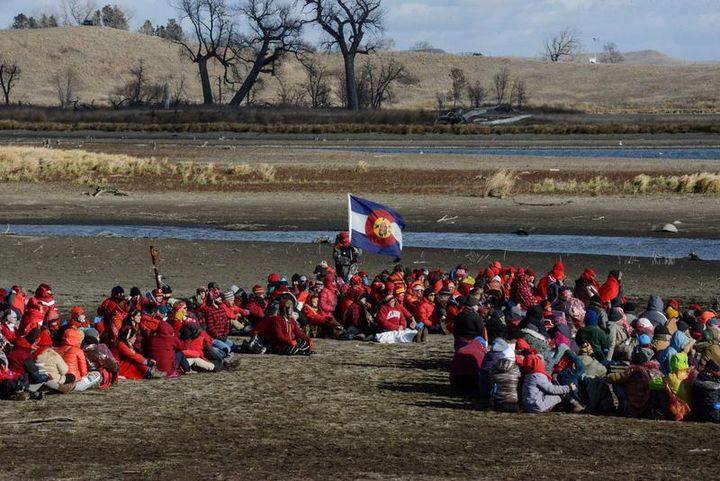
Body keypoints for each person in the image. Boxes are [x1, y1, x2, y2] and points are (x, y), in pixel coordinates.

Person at [32, 330, 75, 394]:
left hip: (37, 379)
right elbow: (64, 370)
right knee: (71, 376)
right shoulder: (53, 354)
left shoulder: (32, 354)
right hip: (54, 379)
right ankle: (57, 388)